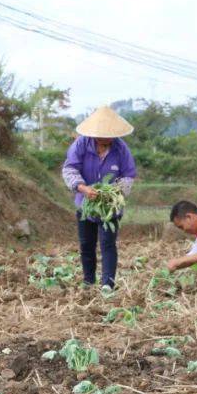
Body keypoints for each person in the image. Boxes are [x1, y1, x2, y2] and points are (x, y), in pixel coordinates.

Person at [61, 106, 137, 290]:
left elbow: (128, 176)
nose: (106, 140)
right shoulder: (81, 145)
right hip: (85, 203)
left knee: (107, 244)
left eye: (109, 136)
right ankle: (88, 281)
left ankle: (107, 284)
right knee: (86, 244)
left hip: (109, 207)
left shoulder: (120, 148)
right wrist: (82, 188)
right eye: (102, 136)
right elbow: (69, 169)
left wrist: (112, 194)